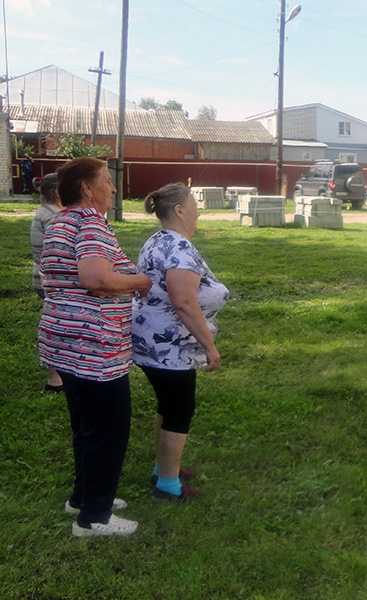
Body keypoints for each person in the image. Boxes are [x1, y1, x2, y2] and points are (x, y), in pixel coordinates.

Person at [38, 157, 151, 537]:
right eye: (106, 180)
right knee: (109, 430)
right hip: (96, 349)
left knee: (86, 427)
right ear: (87, 189)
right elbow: (94, 277)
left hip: (65, 341)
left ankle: (84, 496)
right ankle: (94, 518)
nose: (114, 188)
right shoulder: (89, 222)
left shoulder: (59, 222)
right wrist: (140, 280)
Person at [132, 183, 229, 501]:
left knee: (169, 405)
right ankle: (168, 486)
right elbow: (184, 302)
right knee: (179, 410)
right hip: (169, 348)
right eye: (194, 205)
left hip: (150, 342)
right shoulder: (179, 248)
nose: (198, 211)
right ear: (180, 210)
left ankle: (163, 468)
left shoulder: (157, 240)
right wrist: (209, 347)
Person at [30, 173, 64, 392]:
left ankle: (58, 376)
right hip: (54, 281)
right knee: (58, 328)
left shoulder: (44, 212)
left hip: (43, 279)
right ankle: (55, 379)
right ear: (58, 192)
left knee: (55, 324)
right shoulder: (54, 216)